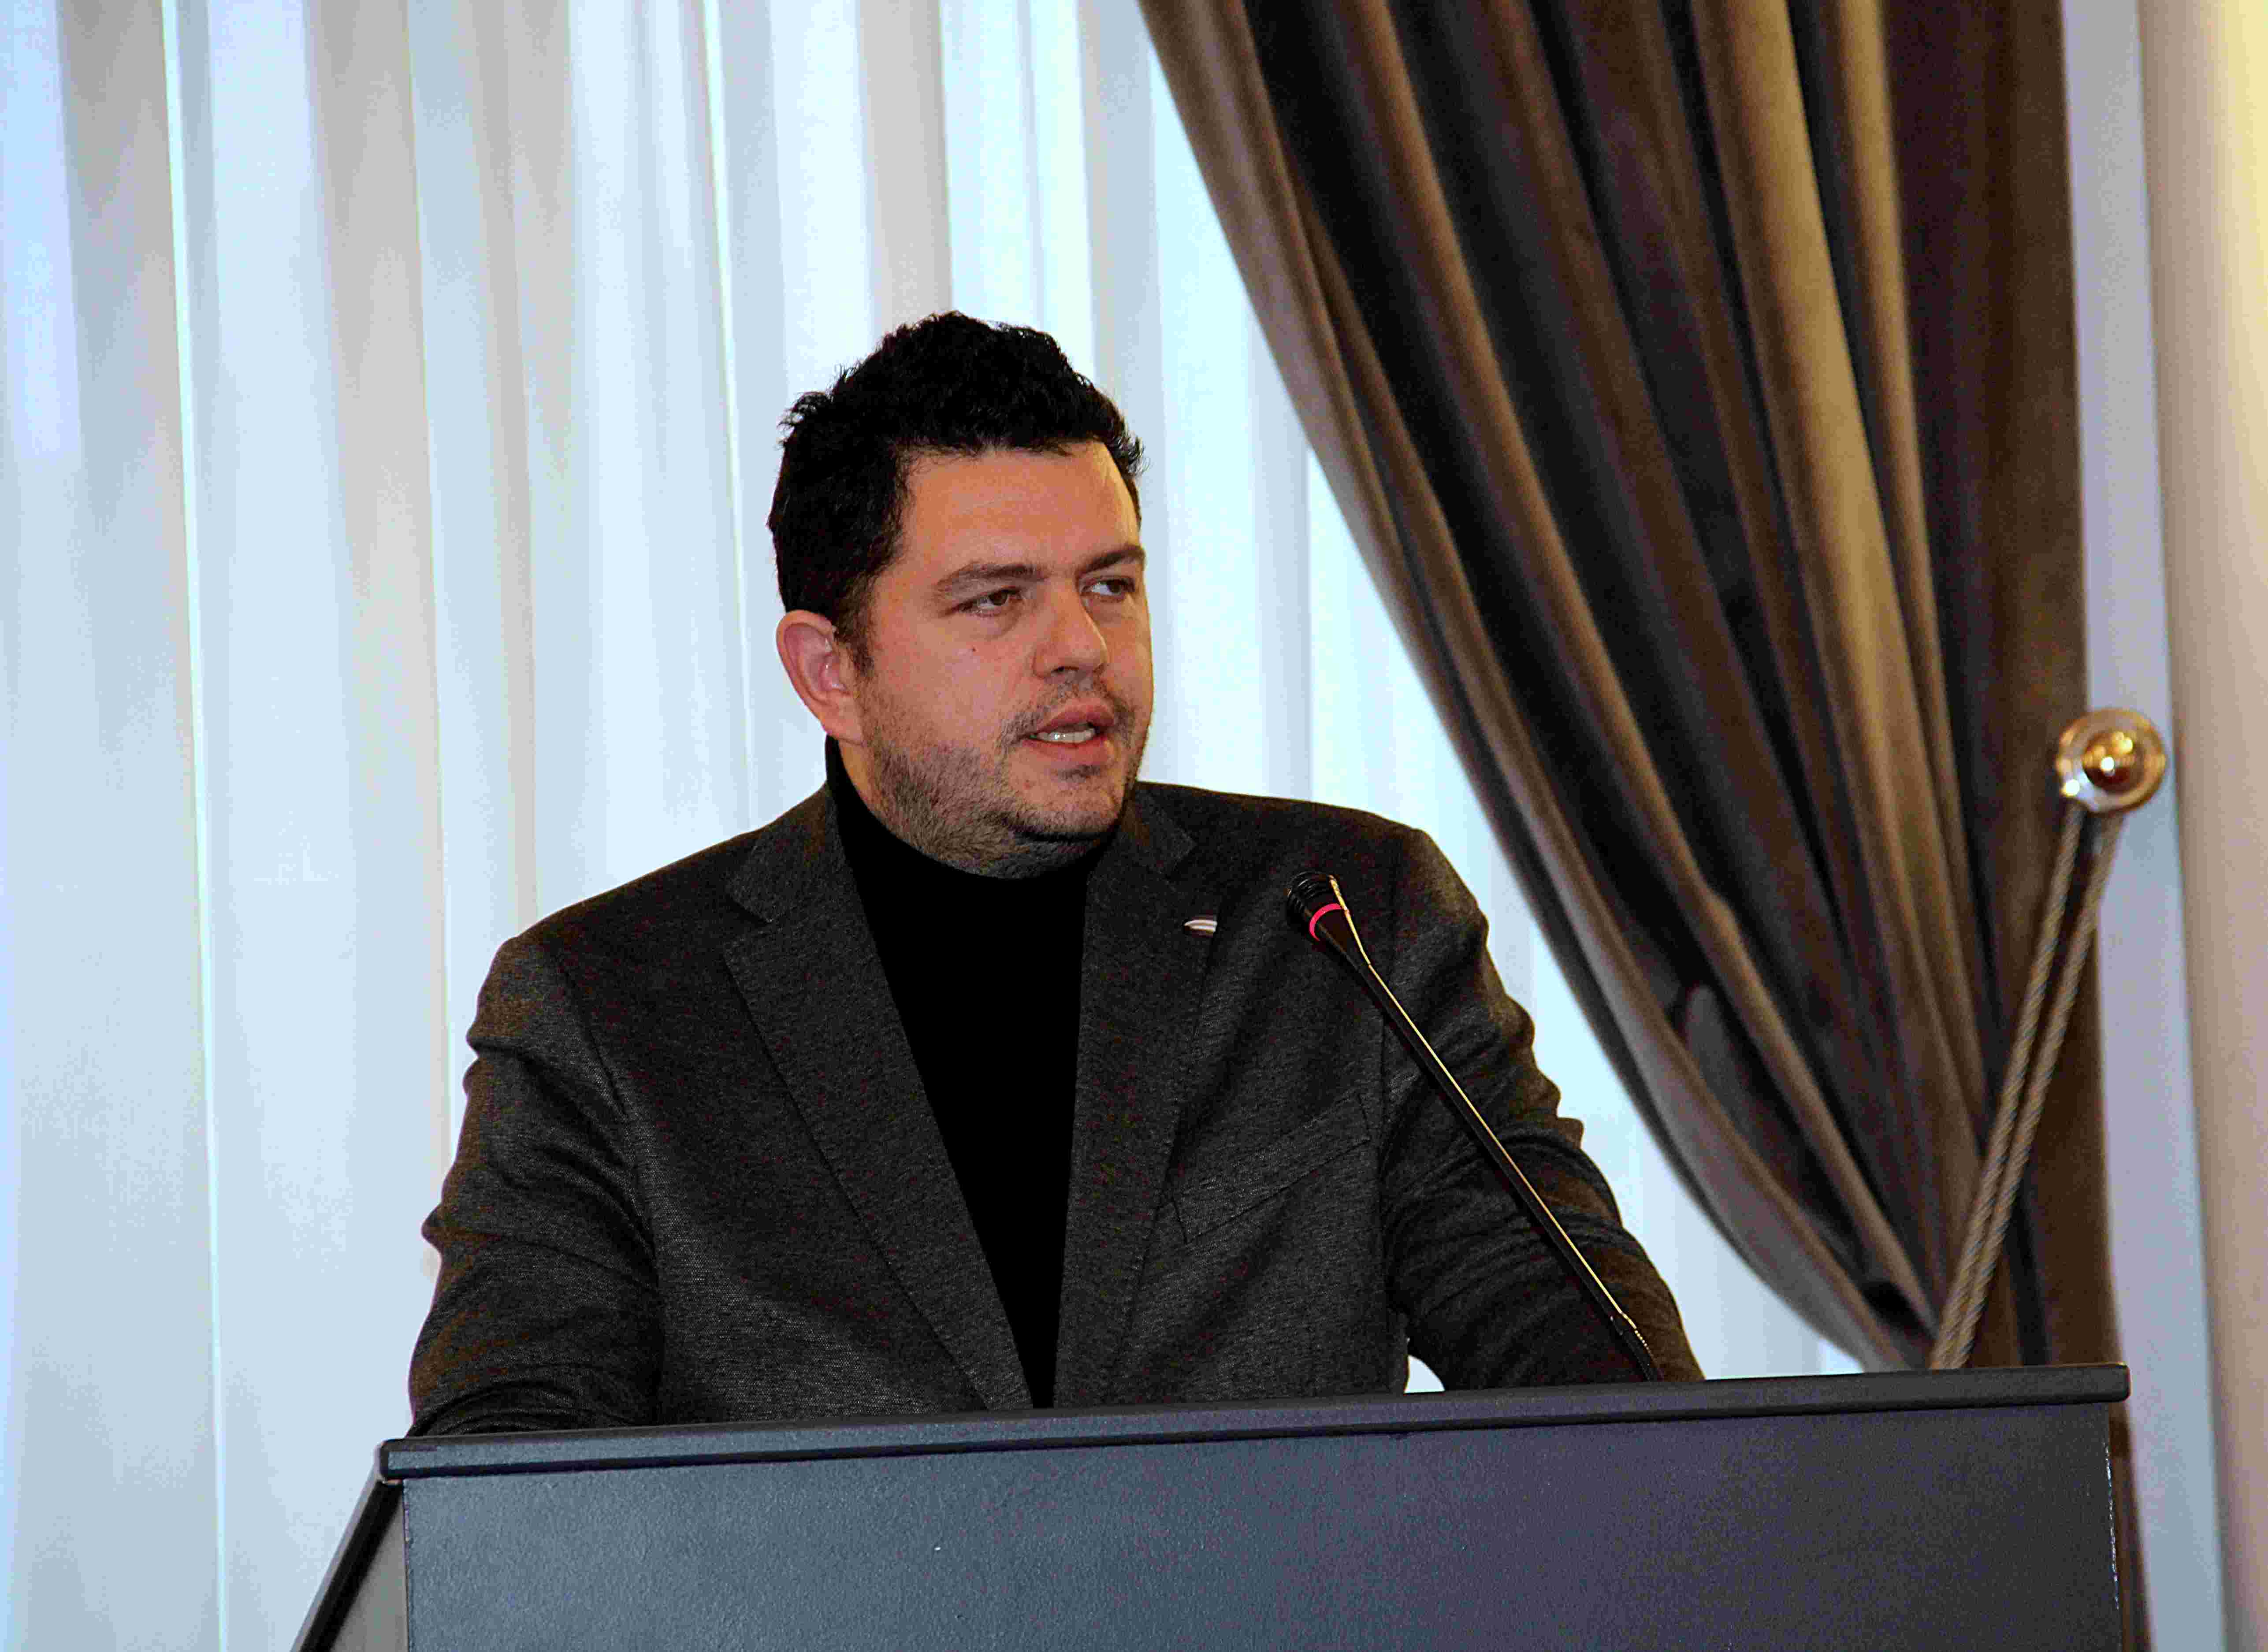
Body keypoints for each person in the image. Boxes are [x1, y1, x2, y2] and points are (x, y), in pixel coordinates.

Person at [408, 314, 1698, 1437]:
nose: (1081, 646)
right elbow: (508, 1489)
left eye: (1110, 585)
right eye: (996, 601)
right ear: (831, 673)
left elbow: (1595, 1375)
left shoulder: (1342, 922)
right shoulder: (608, 1009)